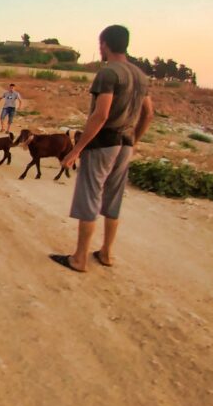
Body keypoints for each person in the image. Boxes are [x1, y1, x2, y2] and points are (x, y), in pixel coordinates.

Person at [51, 25, 153, 273]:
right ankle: (106, 253)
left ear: (104, 44)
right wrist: (134, 140)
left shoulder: (108, 73)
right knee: (113, 198)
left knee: (90, 196)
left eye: (101, 44)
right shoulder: (140, 76)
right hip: (125, 143)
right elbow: (148, 114)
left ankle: (79, 259)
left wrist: (76, 150)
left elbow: (101, 114)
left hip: (103, 143)